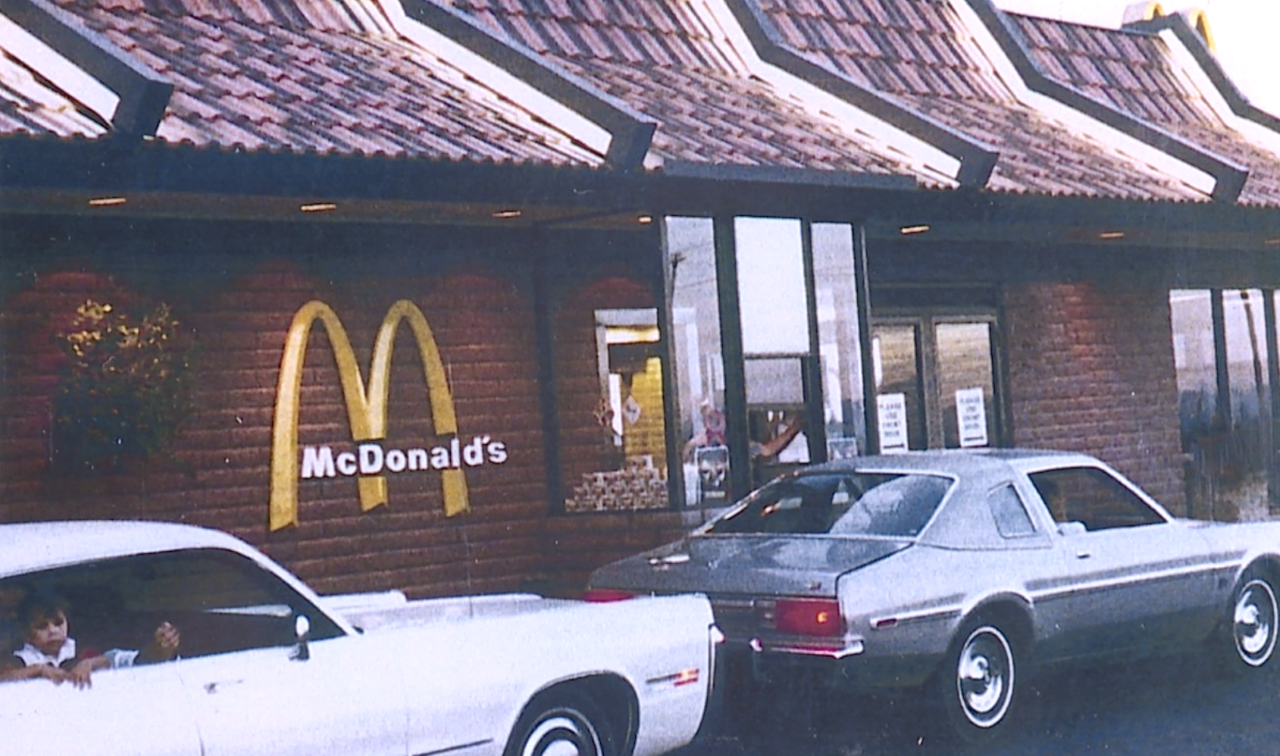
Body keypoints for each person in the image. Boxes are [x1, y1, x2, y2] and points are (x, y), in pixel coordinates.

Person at [0, 589, 180, 688]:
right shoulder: (20, 659)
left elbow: (117, 660)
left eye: (58, 623)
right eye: (41, 626)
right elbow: (4, 677)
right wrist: (37, 670)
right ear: (26, 633)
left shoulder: (80, 652)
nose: (53, 630)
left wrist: (90, 663)